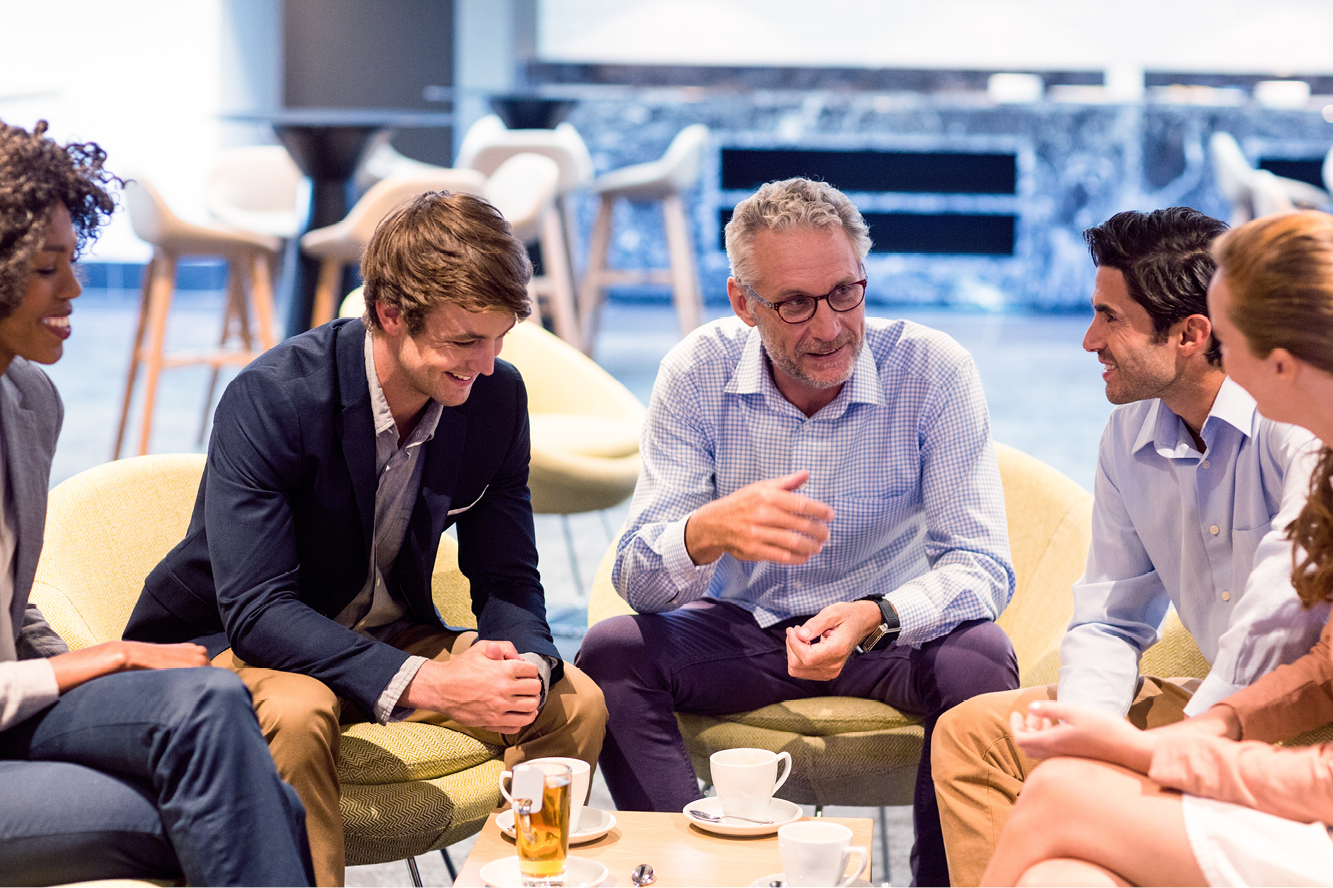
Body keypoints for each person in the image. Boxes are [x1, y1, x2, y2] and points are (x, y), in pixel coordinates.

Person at [123, 190, 608, 886]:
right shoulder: (276, 397)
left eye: (500, 339)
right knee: (298, 708)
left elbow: (507, 575)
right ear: (388, 314)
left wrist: (525, 665)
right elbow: (258, 612)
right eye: (464, 341)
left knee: (572, 702)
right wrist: (431, 683)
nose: (486, 364)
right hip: (235, 642)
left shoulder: (495, 397)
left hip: (386, 633)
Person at [576, 177, 1020, 886]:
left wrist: (880, 615)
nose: (828, 326)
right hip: (738, 629)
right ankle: (696, 876)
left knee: (983, 658)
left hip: (882, 636)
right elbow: (635, 580)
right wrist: (704, 532)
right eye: (793, 304)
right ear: (742, 304)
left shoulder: (932, 370)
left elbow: (981, 564)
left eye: (845, 292)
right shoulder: (697, 372)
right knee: (610, 653)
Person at [932, 207, 1327, 886]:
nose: (1087, 340)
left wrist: (1170, 751)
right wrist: (1089, 734)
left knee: (1062, 805)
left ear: (1193, 335)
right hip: (1237, 703)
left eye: (1108, 317)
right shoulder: (1128, 436)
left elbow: (1277, 617)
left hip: (1298, 733)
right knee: (982, 738)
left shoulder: (1297, 429)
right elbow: (1109, 616)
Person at [0, 119, 313, 886]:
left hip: (14, 707)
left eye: (72, 262)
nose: (73, 289)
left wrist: (92, 668)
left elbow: (10, 611)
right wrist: (103, 659)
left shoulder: (29, 399)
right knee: (245, 807)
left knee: (206, 698)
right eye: (46, 268)